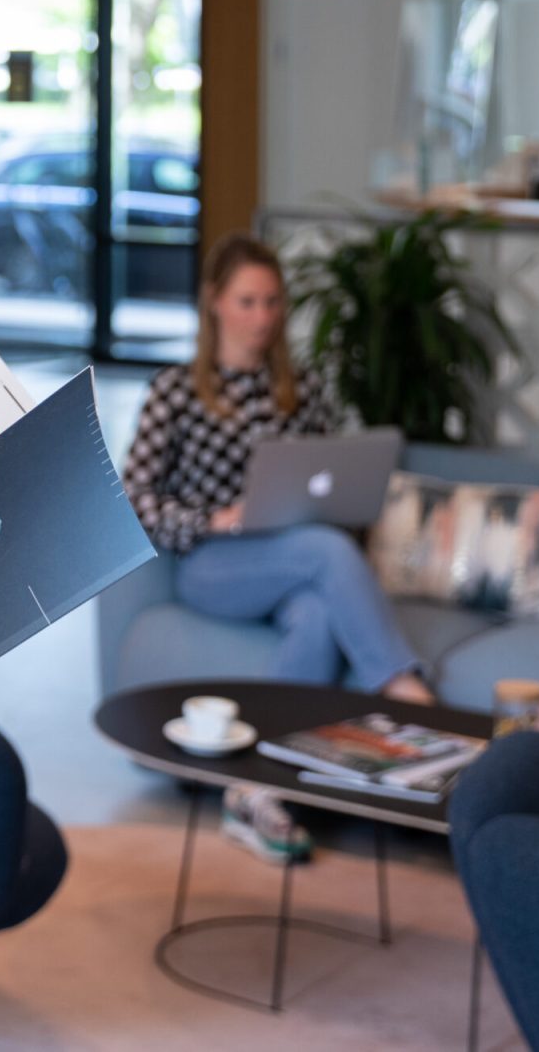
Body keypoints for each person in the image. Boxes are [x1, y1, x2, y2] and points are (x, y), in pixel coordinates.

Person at [122, 234, 431, 865]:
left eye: (271, 302)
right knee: (324, 551)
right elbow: (133, 499)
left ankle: (255, 791)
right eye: (247, 302)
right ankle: (404, 690)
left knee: (317, 611)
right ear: (214, 302)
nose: (262, 317)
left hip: (290, 559)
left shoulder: (302, 388)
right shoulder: (175, 390)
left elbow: (328, 479)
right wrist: (214, 519)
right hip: (211, 564)